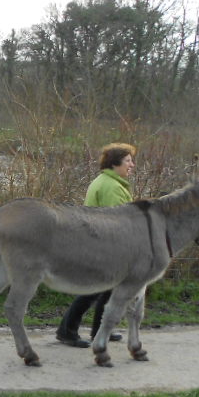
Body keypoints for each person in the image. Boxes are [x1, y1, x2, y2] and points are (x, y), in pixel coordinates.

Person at [56, 142, 137, 348]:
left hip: (97, 243)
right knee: (93, 290)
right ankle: (67, 331)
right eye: (128, 161)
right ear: (115, 163)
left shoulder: (106, 181)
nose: (132, 165)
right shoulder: (111, 187)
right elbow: (117, 222)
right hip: (105, 246)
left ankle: (99, 330)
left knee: (105, 290)